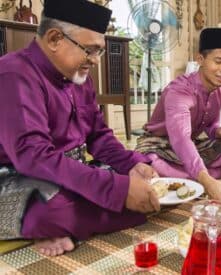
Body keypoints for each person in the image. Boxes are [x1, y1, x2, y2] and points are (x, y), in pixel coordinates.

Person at [0, 0, 161, 256]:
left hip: (67, 173)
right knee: (55, 209)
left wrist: (131, 164)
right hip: (17, 176)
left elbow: (98, 135)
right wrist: (116, 190)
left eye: (100, 51)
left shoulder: (77, 75)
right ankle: (45, 225)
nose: (96, 61)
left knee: (135, 183)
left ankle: (60, 226)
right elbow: (33, 156)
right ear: (54, 39)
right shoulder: (14, 73)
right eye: (90, 50)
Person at [135, 28, 221, 204]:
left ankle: (194, 171)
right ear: (200, 59)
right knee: (152, 164)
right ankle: (218, 171)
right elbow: (180, 139)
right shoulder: (179, 91)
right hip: (159, 145)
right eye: (218, 61)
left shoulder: (220, 91)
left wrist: (220, 131)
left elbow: (210, 127)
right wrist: (209, 181)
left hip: (191, 145)